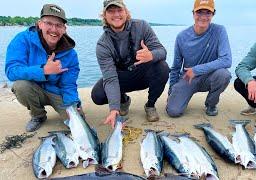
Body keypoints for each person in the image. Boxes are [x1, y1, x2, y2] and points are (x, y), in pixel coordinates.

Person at [5, 4, 84, 132]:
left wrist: (72, 105)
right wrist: (43, 70)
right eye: (49, 23)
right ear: (40, 24)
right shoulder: (22, 40)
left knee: (77, 123)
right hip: (32, 89)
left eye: (58, 25)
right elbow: (12, 71)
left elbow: (68, 85)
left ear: (64, 29)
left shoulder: (71, 54)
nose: (53, 29)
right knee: (20, 86)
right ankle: (38, 116)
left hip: (56, 92)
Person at [91, 0, 169, 127]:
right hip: (121, 78)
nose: (116, 14)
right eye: (111, 11)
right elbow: (110, 78)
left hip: (142, 74)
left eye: (119, 10)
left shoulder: (142, 26)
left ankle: (150, 105)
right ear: (104, 16)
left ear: (126, 12)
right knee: (97, 95)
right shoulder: (102, 45)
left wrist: (151, 55)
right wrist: (114, 109)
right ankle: (123, 100)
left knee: (163, 67)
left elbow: (162, 51)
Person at [166, 0, 232, 117]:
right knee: (173, 111)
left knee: (224, 75)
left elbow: (226, 60)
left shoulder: (220, 30)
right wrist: (171, 89)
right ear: (193, 14)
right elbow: (176, 66)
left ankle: (211, 104)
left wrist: (196, 70)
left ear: (213, 14)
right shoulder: (182, 37)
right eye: (199, 12)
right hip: (188, 78)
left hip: (210, 77)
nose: (203, 16)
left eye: (208, 13)